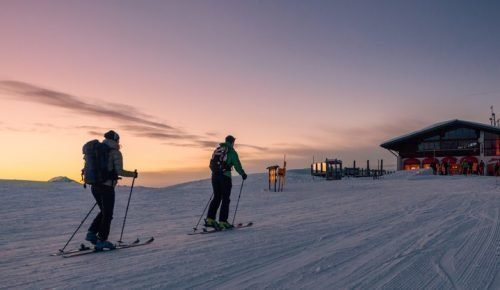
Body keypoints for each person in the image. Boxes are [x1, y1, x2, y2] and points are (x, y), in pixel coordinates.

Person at [85, 130, 138, 250]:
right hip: (107, 187)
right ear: (115, 140)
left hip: (94, 185)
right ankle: (102, 240)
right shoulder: (115, 152)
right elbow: (120, 171)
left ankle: (91, 233)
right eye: (118, 139)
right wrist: (133, 174)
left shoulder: (95, 151)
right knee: (108, 214)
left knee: (103, 211)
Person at [205, 135, 247, 230]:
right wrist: (242, 173)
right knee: (225, 199)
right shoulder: (232, 152)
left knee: (216, 197)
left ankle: (210, 219)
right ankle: (223, 222)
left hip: (215, 176)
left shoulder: (218, 150)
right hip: (225, 177)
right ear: (232, 142)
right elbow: (237, 165)